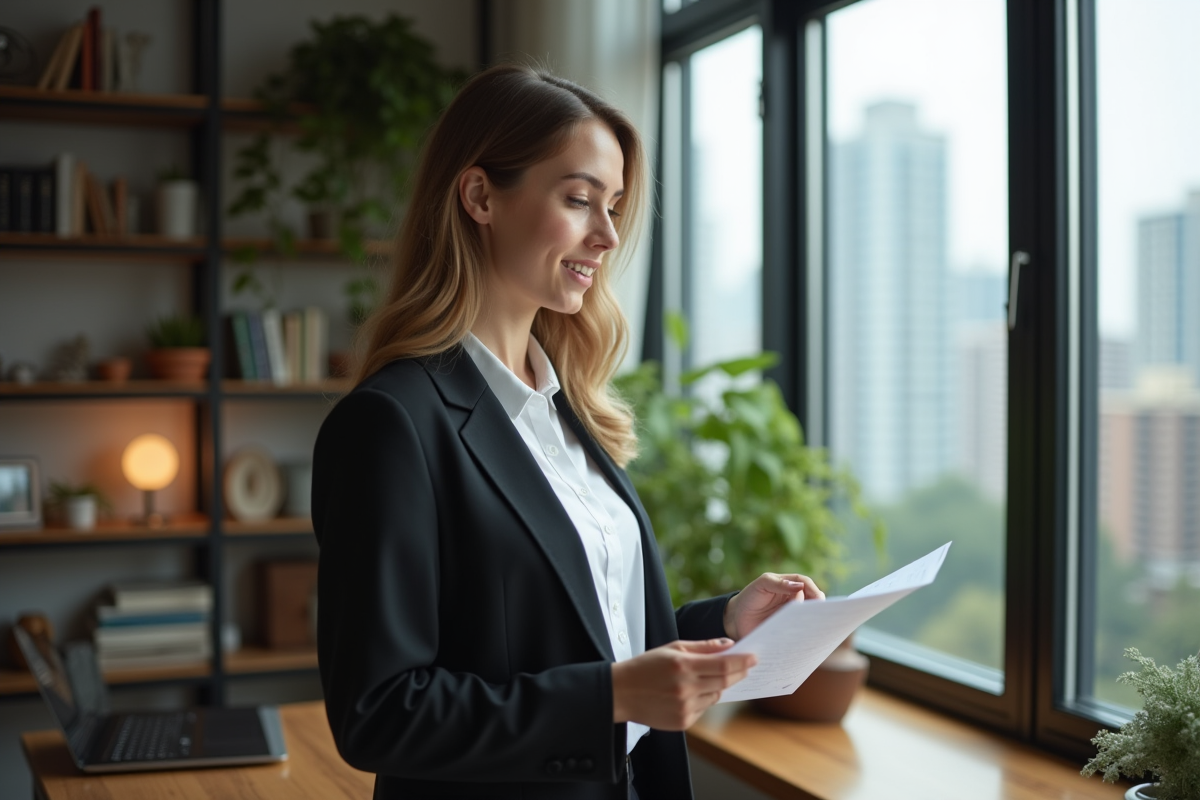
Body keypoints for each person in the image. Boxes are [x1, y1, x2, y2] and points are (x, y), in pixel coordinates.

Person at [312, 62, 825, 800]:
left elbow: (572, 633)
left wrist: (724, 624)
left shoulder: (565, 405)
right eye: (581, 200)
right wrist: (610, 697)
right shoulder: (391, 425)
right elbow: (379, 714)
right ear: (481, 195)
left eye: (614, 206)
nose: (610, 234)